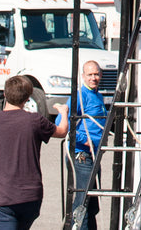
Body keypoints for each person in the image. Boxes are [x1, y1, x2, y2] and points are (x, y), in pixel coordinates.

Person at [0, 75, 69, 230]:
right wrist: (63, 112)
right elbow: (62, 131)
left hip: (4, 198)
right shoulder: (35, 120)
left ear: (5, 94)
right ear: (27, 98)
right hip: (31, 197)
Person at [56, 60, 108, 230]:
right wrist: (83, 139)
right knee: (82, 203)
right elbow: (61, 122)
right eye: (90, 75)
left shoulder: (98, 95)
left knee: (92, 205)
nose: (94, 78)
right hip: (82, 156)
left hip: (93, 156)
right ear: (83, 76)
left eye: (96, 74)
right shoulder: (80, 96)